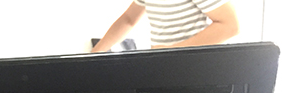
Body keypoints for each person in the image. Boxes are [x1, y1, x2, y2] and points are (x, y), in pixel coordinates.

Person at [92, 0, 239, 52]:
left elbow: (230, 25)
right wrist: (95, 54)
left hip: (194, 69)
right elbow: (128, 19)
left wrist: (170, 52)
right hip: (164, 66)